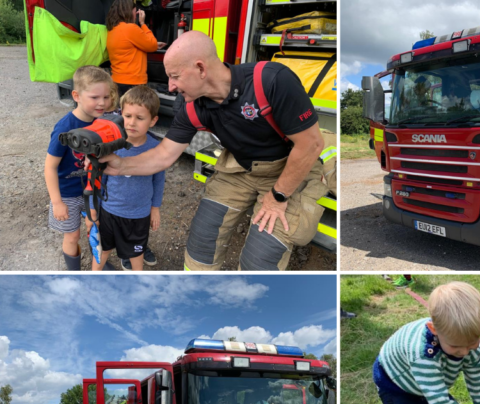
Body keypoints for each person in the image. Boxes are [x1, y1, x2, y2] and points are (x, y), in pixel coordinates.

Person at [98, 31, 332, 271]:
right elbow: (163, 154)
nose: (170, 86)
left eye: (175, 76)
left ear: (200, 68)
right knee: (203, 242)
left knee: (260, 261)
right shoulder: (193, 107)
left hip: (288, 169)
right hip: (240, 170)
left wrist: (277, 197)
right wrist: (121, 165)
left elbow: (310, 144)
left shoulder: (271, 80)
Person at [45, 66, 116, 271]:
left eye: (105, 96)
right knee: (72, 235)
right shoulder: (65, 127)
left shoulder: (103, 123)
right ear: (76, 95)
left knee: (96, 227)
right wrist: (57, 202)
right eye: (95, 97)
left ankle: (98, 262)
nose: (102, 103)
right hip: (67, 193)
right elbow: (50, 167)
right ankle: (74, 272)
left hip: (93, 189)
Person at [90, 86, 164, 271]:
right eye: (127, 116)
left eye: (140, 118)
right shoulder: (111, 145)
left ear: (153, 120)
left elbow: (159, 180)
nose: (132, 123)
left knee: (136, 253)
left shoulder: (157, 149)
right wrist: (93, 209)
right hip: (109, 211)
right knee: (102, 249)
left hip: (139, 215)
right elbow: (99, 179)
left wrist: (155, 208)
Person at [106, 0, 166, 97]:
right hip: (132, 82)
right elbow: (152, 46)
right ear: (128, 11)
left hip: (117, 80)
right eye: (135, 11)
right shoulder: (131, 28)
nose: (136, 14)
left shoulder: (112, 30)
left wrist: (150, 42)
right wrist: (143, 24)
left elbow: (130, 46)